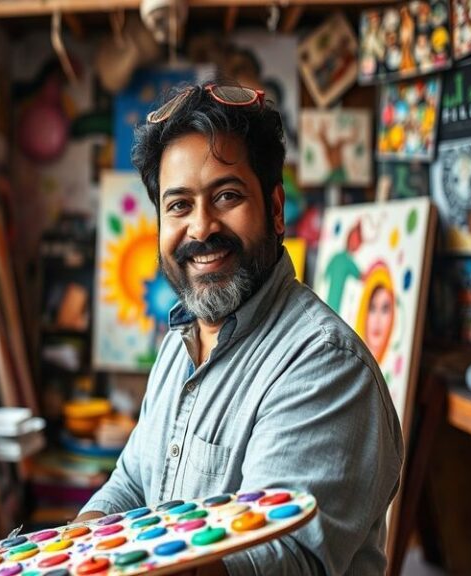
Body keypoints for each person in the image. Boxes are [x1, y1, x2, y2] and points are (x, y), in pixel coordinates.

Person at [75, 79, 403, 575]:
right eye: (179, 205)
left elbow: (276, 562)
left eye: (226, 196)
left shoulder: (323, 364)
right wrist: (77, 552)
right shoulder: (178, 346)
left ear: (274, 209)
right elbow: (132, 483)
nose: (201, 227)